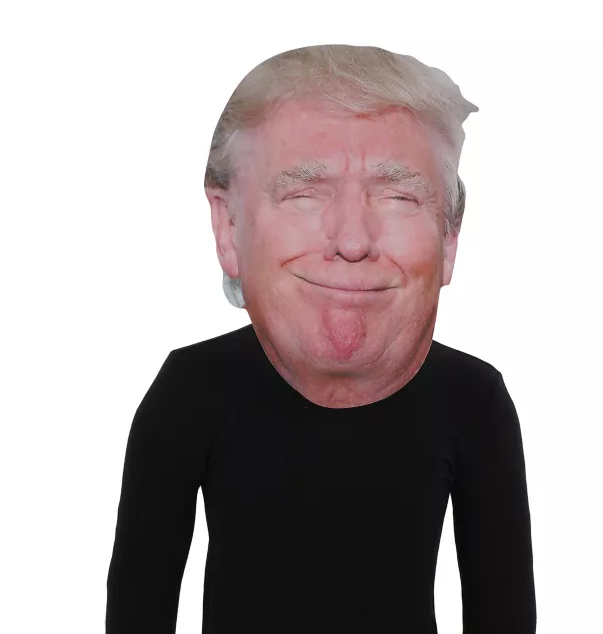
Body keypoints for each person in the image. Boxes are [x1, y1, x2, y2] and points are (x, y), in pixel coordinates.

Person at [106, 44, 536, 633]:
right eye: (305, 193)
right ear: (228, 226)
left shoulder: (473, 399)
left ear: (449, 236)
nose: (352, 240)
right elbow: (137, 612)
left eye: (399, 196)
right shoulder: (190, 391)